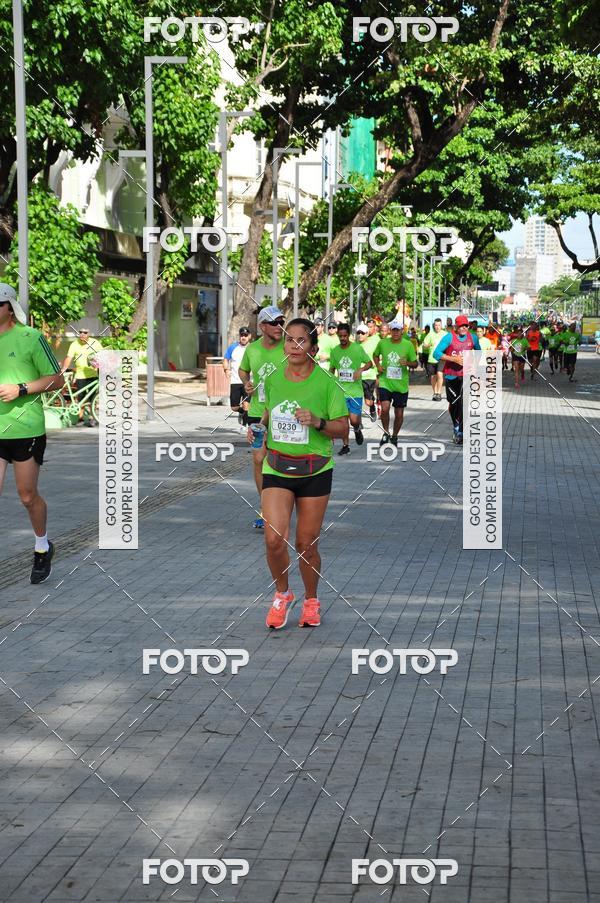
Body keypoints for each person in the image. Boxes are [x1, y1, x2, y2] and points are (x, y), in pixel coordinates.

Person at [250, 318, 348, 630]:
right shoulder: (274, 379)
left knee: (306, 543)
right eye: (289, 340)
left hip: (315, 468)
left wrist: (318, 422)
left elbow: (343, 428)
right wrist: (260, 428)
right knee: (274, 539)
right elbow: (269, 412)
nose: (293, 346)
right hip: (277, 466)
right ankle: (282, 594)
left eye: (301, 340)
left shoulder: (327, 384)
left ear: (313, 348)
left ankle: (311, 599)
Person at [0, 283, 64, 583]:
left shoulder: (31, 337)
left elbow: (56, 380)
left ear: (9, 308)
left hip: (26, 428)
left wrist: (21, 389)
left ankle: (42, 546)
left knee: (27, 496)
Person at [239, 306, 286, 528]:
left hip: (283, 413)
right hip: (257, 413)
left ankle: (281, 504)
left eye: (281, 322)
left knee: (278, 461)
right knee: (259, 459)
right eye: (275, 323)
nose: (280, 327)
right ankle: (265, 506)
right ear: (263, 326)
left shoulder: (288, 347)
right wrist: (246, 382)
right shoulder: (253, 350)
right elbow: (243, 370)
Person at [433, 314, 481, 444]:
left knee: (464, 403)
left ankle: (461, 431)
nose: (464, 328)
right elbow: (436, 353)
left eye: (466, 325)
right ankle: (456, 425)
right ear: (456, 327)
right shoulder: (449, 337)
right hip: (451, 375)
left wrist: (475, 366)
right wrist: (453, 359)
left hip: (466, 376)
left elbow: (478, 352)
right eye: (461, 326)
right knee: (453, 404)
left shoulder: (473, 338)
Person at [372, 319, 418, 446]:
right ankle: (385, 433)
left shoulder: (407, 345)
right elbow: (375, 355)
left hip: (401, 385)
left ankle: (395, 436)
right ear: (390, 331)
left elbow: (415, 363)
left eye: (398, 330)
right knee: (385, 409)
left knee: (399, 414)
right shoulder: (383, 343)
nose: (396, 332)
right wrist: (378, 366)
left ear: (402, 331)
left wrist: (407, 363)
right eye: (394, 330)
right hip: (385, 382)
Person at [329, 324, 372, 454]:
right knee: (343, 420)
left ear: (349, 335)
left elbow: (369, 363)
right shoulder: (335, 351)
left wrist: (361, 369)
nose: (342, 338)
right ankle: (346, 445)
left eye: (345, 336)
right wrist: (330, 379)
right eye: (340, 336)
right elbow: (332, 369)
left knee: (353, 420)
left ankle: (357, 429)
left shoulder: (357, 349)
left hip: (355, 391)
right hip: (340, 391)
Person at [62, 327, 102, 425]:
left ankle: (93, 418)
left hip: (93, 374)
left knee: (93, 397)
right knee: (81, 397)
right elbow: (69, 357)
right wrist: (63, 369)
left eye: (85, 332)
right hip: (80, 375)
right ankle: (80, 418)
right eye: (80, 332)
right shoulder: (74, 344)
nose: (83, 334)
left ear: (89, 334)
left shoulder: (95, 343)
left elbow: (102, 356)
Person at [223, 326, 251, 430]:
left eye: (246, 335)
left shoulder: (252, 348)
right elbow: (226, 359)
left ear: (249, 336)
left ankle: (244, 426)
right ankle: (242, 413)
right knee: (234, 407)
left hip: (248, 382)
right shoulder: (233, 347)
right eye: (242, 335)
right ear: (239, 336)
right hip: (235, 381)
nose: (243, 337)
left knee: (246, 404)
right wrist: (226, 370)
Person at [357, 321, 379, 422]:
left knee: (368, 401)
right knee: (357, 399)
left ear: (367, 334)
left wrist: (376, 362)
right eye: (358, 333)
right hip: (357, 376)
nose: (360, 335)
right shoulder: (355, 345)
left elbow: (379, 355)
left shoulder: (374, 342)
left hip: (369, 375)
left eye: (362, 333)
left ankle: (372, 408)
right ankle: (357, 422)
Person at [422, 317, 446, 401]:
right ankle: (435, 392)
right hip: (431, 358)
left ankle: (439, 393)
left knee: (440, 374)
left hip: (441, 358)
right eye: (436, 325)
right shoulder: (430, 334)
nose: (437, 327)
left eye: (439, 325)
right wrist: (427, 345)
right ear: (434, 325)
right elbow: (424, 344)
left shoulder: (445, 334)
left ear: (441, 325)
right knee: (433, 377)